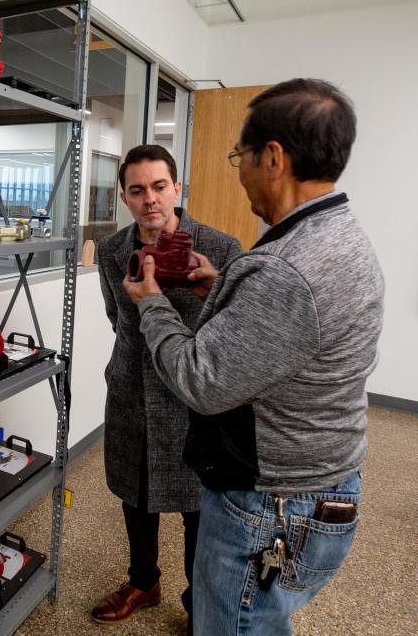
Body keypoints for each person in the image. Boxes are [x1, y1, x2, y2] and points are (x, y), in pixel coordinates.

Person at [123, 78, 384, 635]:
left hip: (273, 503)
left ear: (272, 156)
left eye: (239, 155)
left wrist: (151, 304)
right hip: (315, 479)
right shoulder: (339, 236)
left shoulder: (286, 268)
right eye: (136, 189)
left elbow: (200, 379)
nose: (237, 169)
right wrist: (221, 289)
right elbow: (285, 329)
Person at [92, 145, 241, 628]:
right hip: (132, 390)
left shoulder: (221, 249)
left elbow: (236, 328)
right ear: (125, 198)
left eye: (159, 187)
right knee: (134, 492)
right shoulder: (114, 252)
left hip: (195, 398)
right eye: (137, 190)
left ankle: (201, 596)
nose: (149, 199)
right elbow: (119, 319)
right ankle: (143, 581)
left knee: (199, 503)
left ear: (177, 188)